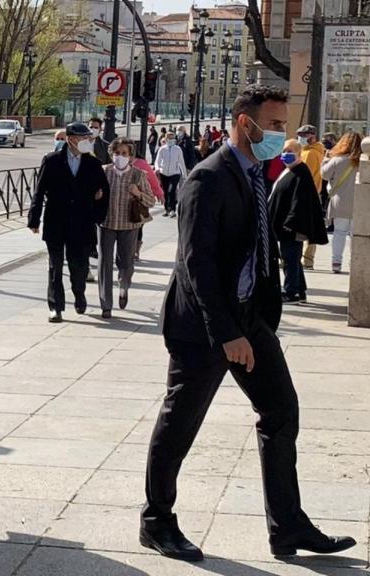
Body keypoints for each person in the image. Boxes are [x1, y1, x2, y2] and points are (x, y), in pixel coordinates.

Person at [141, 84, 356, 562]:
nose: (281, 134)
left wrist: (255, 320)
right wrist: (227, 334)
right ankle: (156, 521)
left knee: (281, 412)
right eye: (275, 125)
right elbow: (196, 264)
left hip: (249, 317)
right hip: (204, 325)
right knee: (180, 423)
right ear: (246, 123)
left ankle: (288, 526)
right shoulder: (207, 178)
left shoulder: (257, 173)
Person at [28, 122, 110, 323]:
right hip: (56, 221)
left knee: (78, 265)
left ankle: (79, 293)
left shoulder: (93, 163)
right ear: (72, 139)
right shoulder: (52, 160)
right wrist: (34, 218)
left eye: (88, 138)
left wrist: (98, 213)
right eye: (84, 138)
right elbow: (39, 190)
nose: (87, 141)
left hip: (82, 223)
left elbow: (104, 191)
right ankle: (55, 307)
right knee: (55, 267)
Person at [98, 138, 155, 318]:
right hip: (106, 223)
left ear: (130, 156)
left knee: (126, 262)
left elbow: (151, 201)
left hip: (129, 225)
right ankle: (106, 304)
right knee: (104, 262)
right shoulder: (104, 172)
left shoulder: (138, 175)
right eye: (117, 153)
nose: (120, 157)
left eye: (124, 153)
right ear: (111, 154)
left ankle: (123, 286)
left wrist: (138, 193)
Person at [270, 139, 328, 303]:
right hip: (285, 225)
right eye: (284, 151)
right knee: (292, 258)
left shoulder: (300, 172)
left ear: (299, 153)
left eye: (290, 151)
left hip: (292, 226)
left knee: (290, 258)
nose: (285, 154)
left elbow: (299, 201)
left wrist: (290, 223)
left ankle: (291, 292)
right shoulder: (290, 170)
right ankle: (299, 290)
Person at [321, 131, 362, 274]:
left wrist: (325, 160)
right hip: (360, 203)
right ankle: (354, 262)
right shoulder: (364, 161)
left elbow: (324, 175)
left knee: (339, 232)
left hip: (340, 201)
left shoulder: (337, 159)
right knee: (355, 234)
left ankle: (336, 262)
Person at [297, 125, 326, 270]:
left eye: (304, 135)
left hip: (305, 193)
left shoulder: (309, 154)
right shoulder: (317, 151)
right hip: (314, 192)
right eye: (300, 135)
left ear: (313, 136)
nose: (301, 138)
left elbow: (303, 175)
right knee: (310, 228)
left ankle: (303, 258)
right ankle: (308, 259)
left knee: (300, 227)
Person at [132, 154, 163, 261]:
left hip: (140, 202)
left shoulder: (141, 163)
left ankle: (136, 250)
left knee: (138, 226)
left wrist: (159, 193)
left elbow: (153, 180)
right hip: (123, 203)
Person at [154, 133, 186, 217]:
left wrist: (184, 174)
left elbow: (181, 161)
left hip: (175, 173)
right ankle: (166, 209)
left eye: (172, 138)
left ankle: (172, 209)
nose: (171, 140)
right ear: (165, 139)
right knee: (165, 191)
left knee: (171, 191)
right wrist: (157, 168)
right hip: (163, 173)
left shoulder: (178, 149)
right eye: (169, 138)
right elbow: (157, 160)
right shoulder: (162, 149)